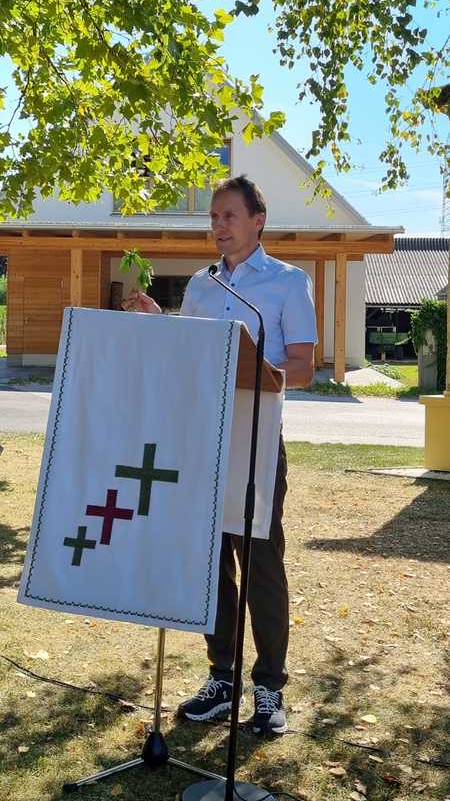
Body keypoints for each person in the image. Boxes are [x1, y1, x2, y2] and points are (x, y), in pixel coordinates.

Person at [123, 174, 317, 735]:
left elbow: (304, 367)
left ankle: (270, 688)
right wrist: (160, 324)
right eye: (212, 217)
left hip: (257, 439)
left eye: (229, 215)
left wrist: (259, 369)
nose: (218, 226)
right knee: (212, 564)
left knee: (260, 564)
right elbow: (189, 355)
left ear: (258, 221)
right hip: (203, 440)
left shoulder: (288, 282)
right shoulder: (202, 285)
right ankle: (222, 677)